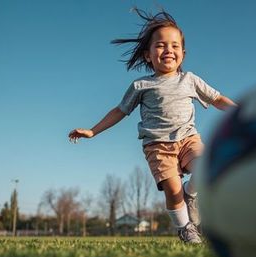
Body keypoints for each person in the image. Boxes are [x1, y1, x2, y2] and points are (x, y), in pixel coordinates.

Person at [68, 9, 235, 243]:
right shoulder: (141, 85)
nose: (168, 50)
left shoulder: (190, 80)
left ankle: (192, 193)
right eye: (161, 45)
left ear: (183, 54)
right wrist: (93, 131)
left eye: (175, 46)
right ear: (148, 55)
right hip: (157, 146)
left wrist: (241, 110)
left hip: (189, 139)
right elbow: (119, 111)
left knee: (207, 168)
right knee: (173, 190)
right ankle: (185, 227)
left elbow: (217, 98)